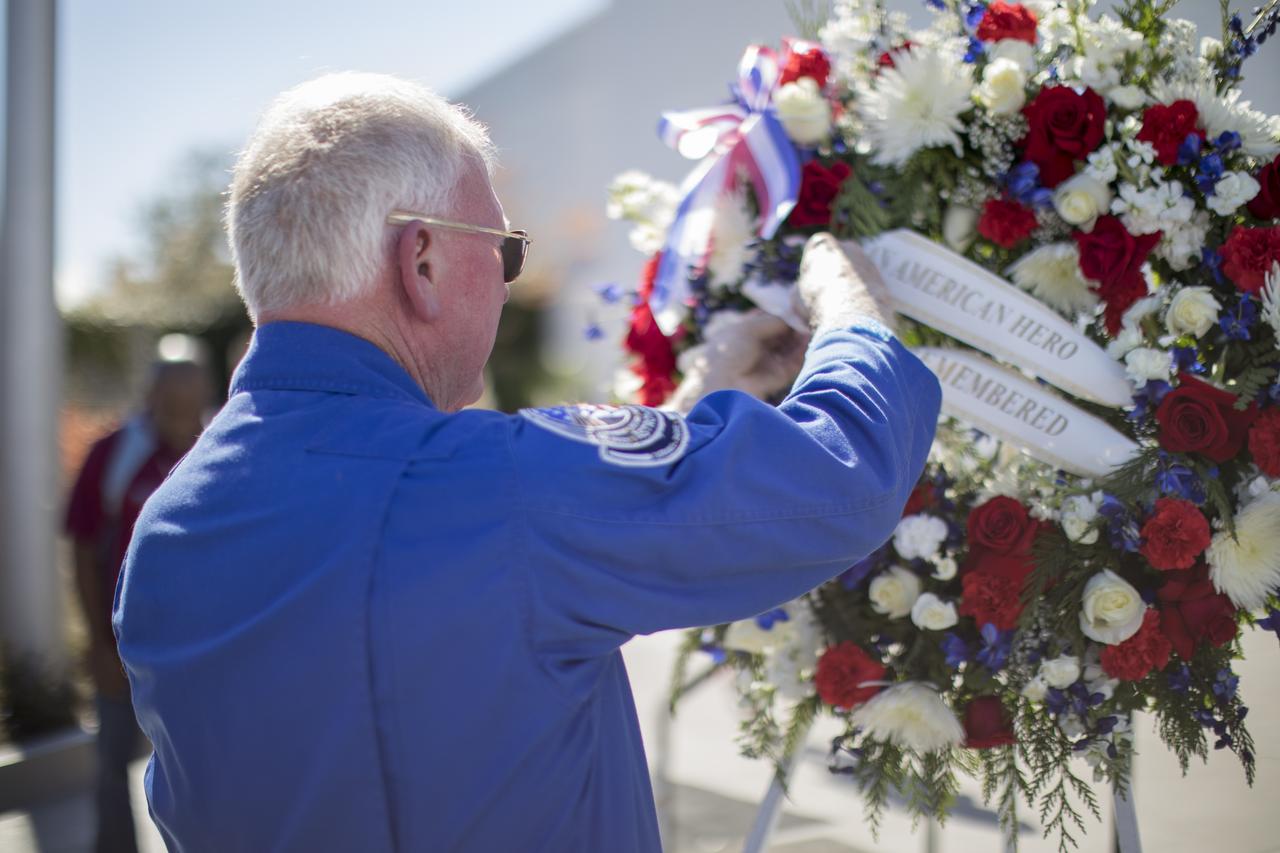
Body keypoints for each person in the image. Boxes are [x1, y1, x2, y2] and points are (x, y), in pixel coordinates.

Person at [113, 72, 941, 852]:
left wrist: (704, 392)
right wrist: (852, 315)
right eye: (505, 251)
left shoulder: (167, 528)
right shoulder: (485, 491)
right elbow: (839, 478)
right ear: (423, 262)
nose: (509, 284)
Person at [65, 358, 210, 853]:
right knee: (112, 766)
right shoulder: (114, 455)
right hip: (122, 651)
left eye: (192, 409)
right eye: (171, 407)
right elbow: (83, 549)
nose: (183, 422)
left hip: (197, 655)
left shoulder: (217, 450)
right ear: (150, 400)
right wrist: (98, 646)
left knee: (199, 774)